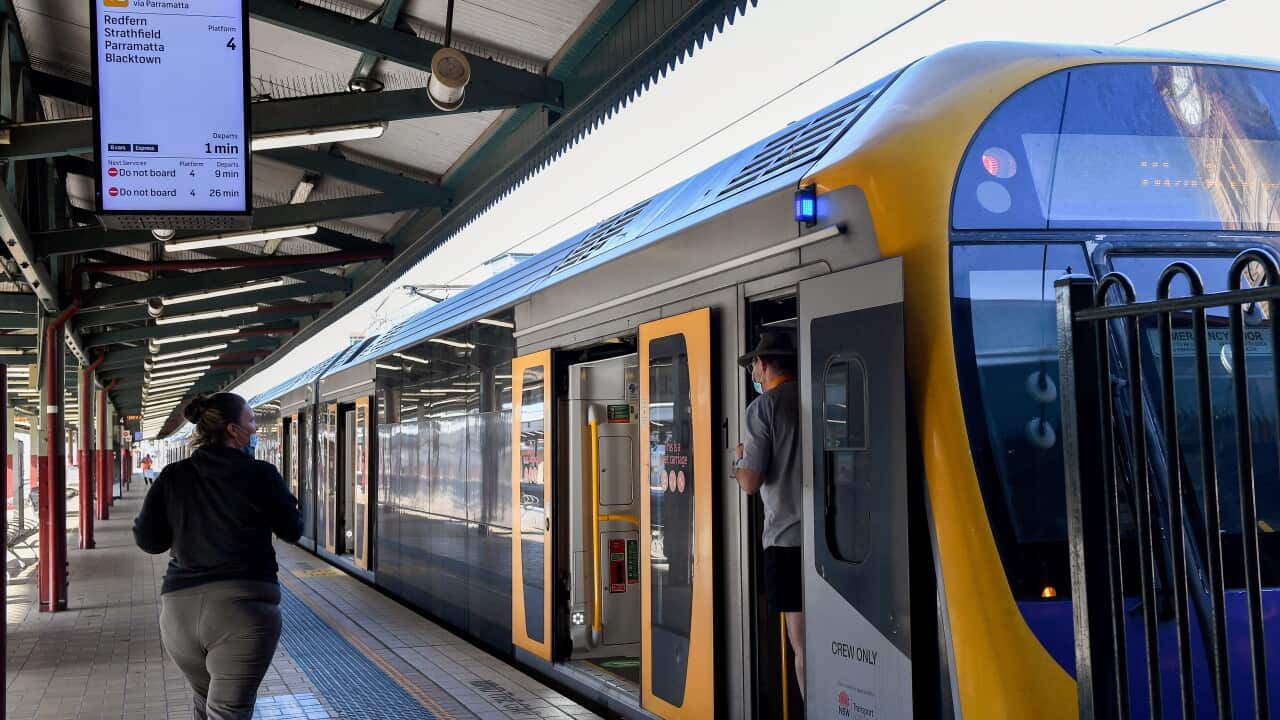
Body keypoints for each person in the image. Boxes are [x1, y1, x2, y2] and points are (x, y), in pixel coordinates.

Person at [134, 393, 303, 720]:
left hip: (179, 617)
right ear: (232, 430)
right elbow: (292, 530)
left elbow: (149, 541)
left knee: (205, 704)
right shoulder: (261, 474)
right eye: (251, 420)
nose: (256, 428)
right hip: (242, 613)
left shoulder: (173, 476)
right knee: (228, 712)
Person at [733, 330, 806, 701]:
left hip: (786, 542)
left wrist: (738, 460)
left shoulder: (763, 408)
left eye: (754, 368)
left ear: (762, 364)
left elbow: (750, 481)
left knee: (801, 644)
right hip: (829, 536)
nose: (754, 375)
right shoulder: (815, 396)